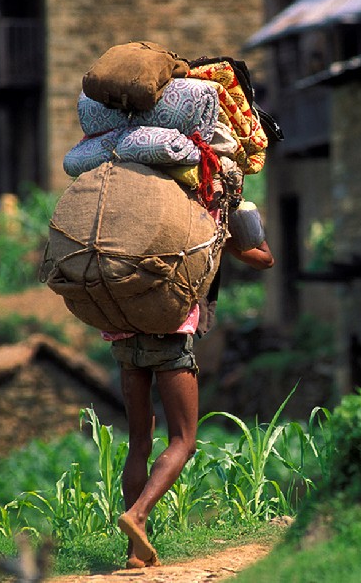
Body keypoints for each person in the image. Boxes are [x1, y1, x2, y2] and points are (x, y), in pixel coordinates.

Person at [115, 234, 274, 569]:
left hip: (124, 331)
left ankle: (134, 552)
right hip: (171, 331)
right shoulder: (213, 207)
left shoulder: (135, 204)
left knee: (138, 442)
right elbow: (264, 259)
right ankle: (138, 515)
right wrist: (232, 232)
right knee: (184, 441)